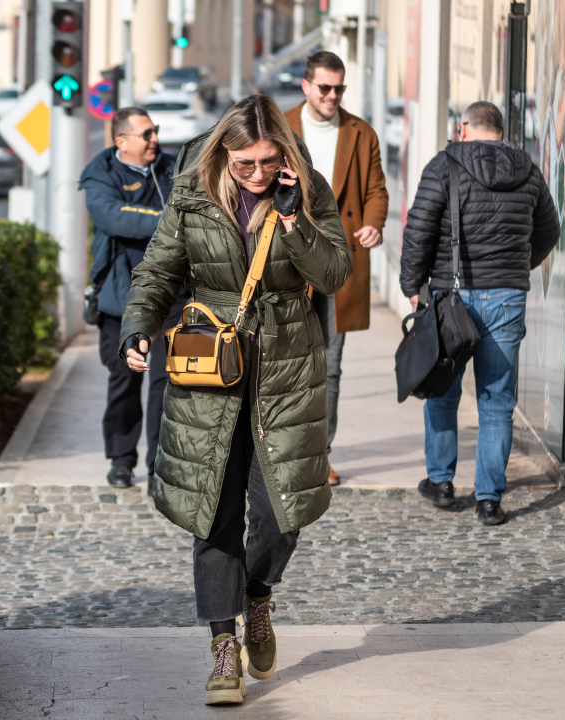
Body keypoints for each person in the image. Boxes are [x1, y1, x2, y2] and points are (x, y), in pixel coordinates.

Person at [119, 95, 351, 705]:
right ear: (224, 151)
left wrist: (296, 216)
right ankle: (224, 645)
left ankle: (257, 594)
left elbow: (334, 273)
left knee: (280, 514)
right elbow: (160, 267)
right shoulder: (193, 189)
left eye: (267, 162)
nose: (256, 174)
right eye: (244, 163)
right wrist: (137, 325)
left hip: (286, 368)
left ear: (283, 152)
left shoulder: (306, 187)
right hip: (210, 368)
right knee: (214, 514)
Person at [400, 101, 559, 526]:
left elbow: (419, 229)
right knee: (496, 400)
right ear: (501, 133)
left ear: (463, 129)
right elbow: (549, 231)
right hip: (507, 296)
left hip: (452, 297)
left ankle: (441, 481)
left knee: (442, 389)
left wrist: (411, 286)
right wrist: (515, 268)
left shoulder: (443, 165)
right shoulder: (527, 169)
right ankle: (489, 500)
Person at [283, 50, 388, 485]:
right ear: (306, 86)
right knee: (288, 364)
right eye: (324, 87)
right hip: (286, 262)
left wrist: (373, 225)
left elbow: (376, 189)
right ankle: (286, 452)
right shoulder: (280, 128)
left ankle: (320, 456)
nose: (331, 95)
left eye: (338, 88)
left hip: (339, 263)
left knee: (330, 365)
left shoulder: (361, 133)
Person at [79, 107, 189, 490]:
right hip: (120, 298)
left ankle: (161, 461)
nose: (154, 138)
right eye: (146, 134)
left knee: (166, 381)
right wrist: (168, 219)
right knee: (124, 380)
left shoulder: (175, 168)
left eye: (155, 131)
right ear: (121, 142)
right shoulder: (99, 175)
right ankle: (121, 460)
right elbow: (115, 218)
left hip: (173, 293)